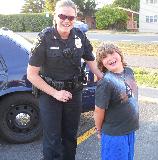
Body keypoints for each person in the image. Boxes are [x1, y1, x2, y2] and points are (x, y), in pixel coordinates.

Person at [27, 0, 103, 160]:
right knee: (53, 139)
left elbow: (91, 61)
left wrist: (107, 79)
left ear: (75, 18)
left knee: (70, 137)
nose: (66, 20)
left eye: (71, 17)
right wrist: (55, 93)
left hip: (74, 93)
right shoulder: (44, 38)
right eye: (62, 16)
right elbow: (31, 75)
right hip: (49, 95)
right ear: (55, 16)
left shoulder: (80, 36)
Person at [94, 43, 139, 160]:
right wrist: (99, 130)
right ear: (101, 64)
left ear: (120, 54)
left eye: (112, 53)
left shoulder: (129, 71)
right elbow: (99, 110)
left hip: (129, 129)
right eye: (104, 57)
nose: (110, 58)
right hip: (114, 135)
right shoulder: (105, 83)